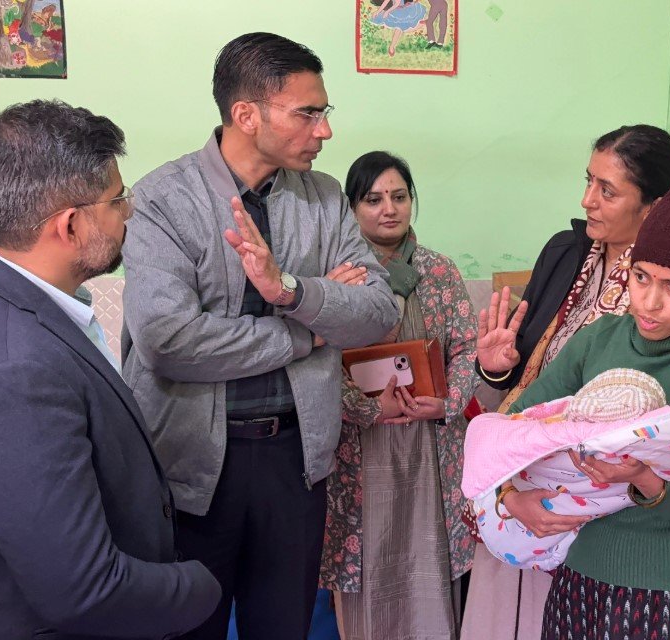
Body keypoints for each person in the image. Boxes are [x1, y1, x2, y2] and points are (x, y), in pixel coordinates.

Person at [120, 34, 398, 640]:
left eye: (324, 112)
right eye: (308, 113)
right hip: (189, 467)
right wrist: (308, 334)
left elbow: (378, 312)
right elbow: (167, 341)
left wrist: (292, 291)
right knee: (187, 625)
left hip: (296, 461)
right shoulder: (162, 200)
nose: (325, 131)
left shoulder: (324, 198)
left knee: (282, 625)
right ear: (246, 115)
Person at [0, 99, 220, 639]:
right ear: (72, 225)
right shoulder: (14, 374)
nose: (129, 213)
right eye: (118, 199)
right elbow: (85, 590)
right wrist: (204, 587)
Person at [463, 124, 670, 640]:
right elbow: (535, 382)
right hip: (525, 473)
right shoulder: (566, 252)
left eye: (607, 190)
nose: (587, 200)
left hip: (604, 512)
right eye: (588, 181)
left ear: (655, 206)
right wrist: (498, 369)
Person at [319, 151, 479, 640]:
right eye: (373, 199)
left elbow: (467, 348)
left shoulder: (439, 271)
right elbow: (319, 362)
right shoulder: (339, 277)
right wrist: (369, 408)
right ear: (351, 209)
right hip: (361, 445)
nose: (389, 209)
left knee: (429, 554)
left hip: (430, 443)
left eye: (399, 196)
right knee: (370, 560)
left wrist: (447, 402)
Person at [466, 368, 670, 572]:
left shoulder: (645, 436)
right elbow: (512, 429)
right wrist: (508, 494)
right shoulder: (563, 421)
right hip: (521, 510)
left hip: (614, 554)